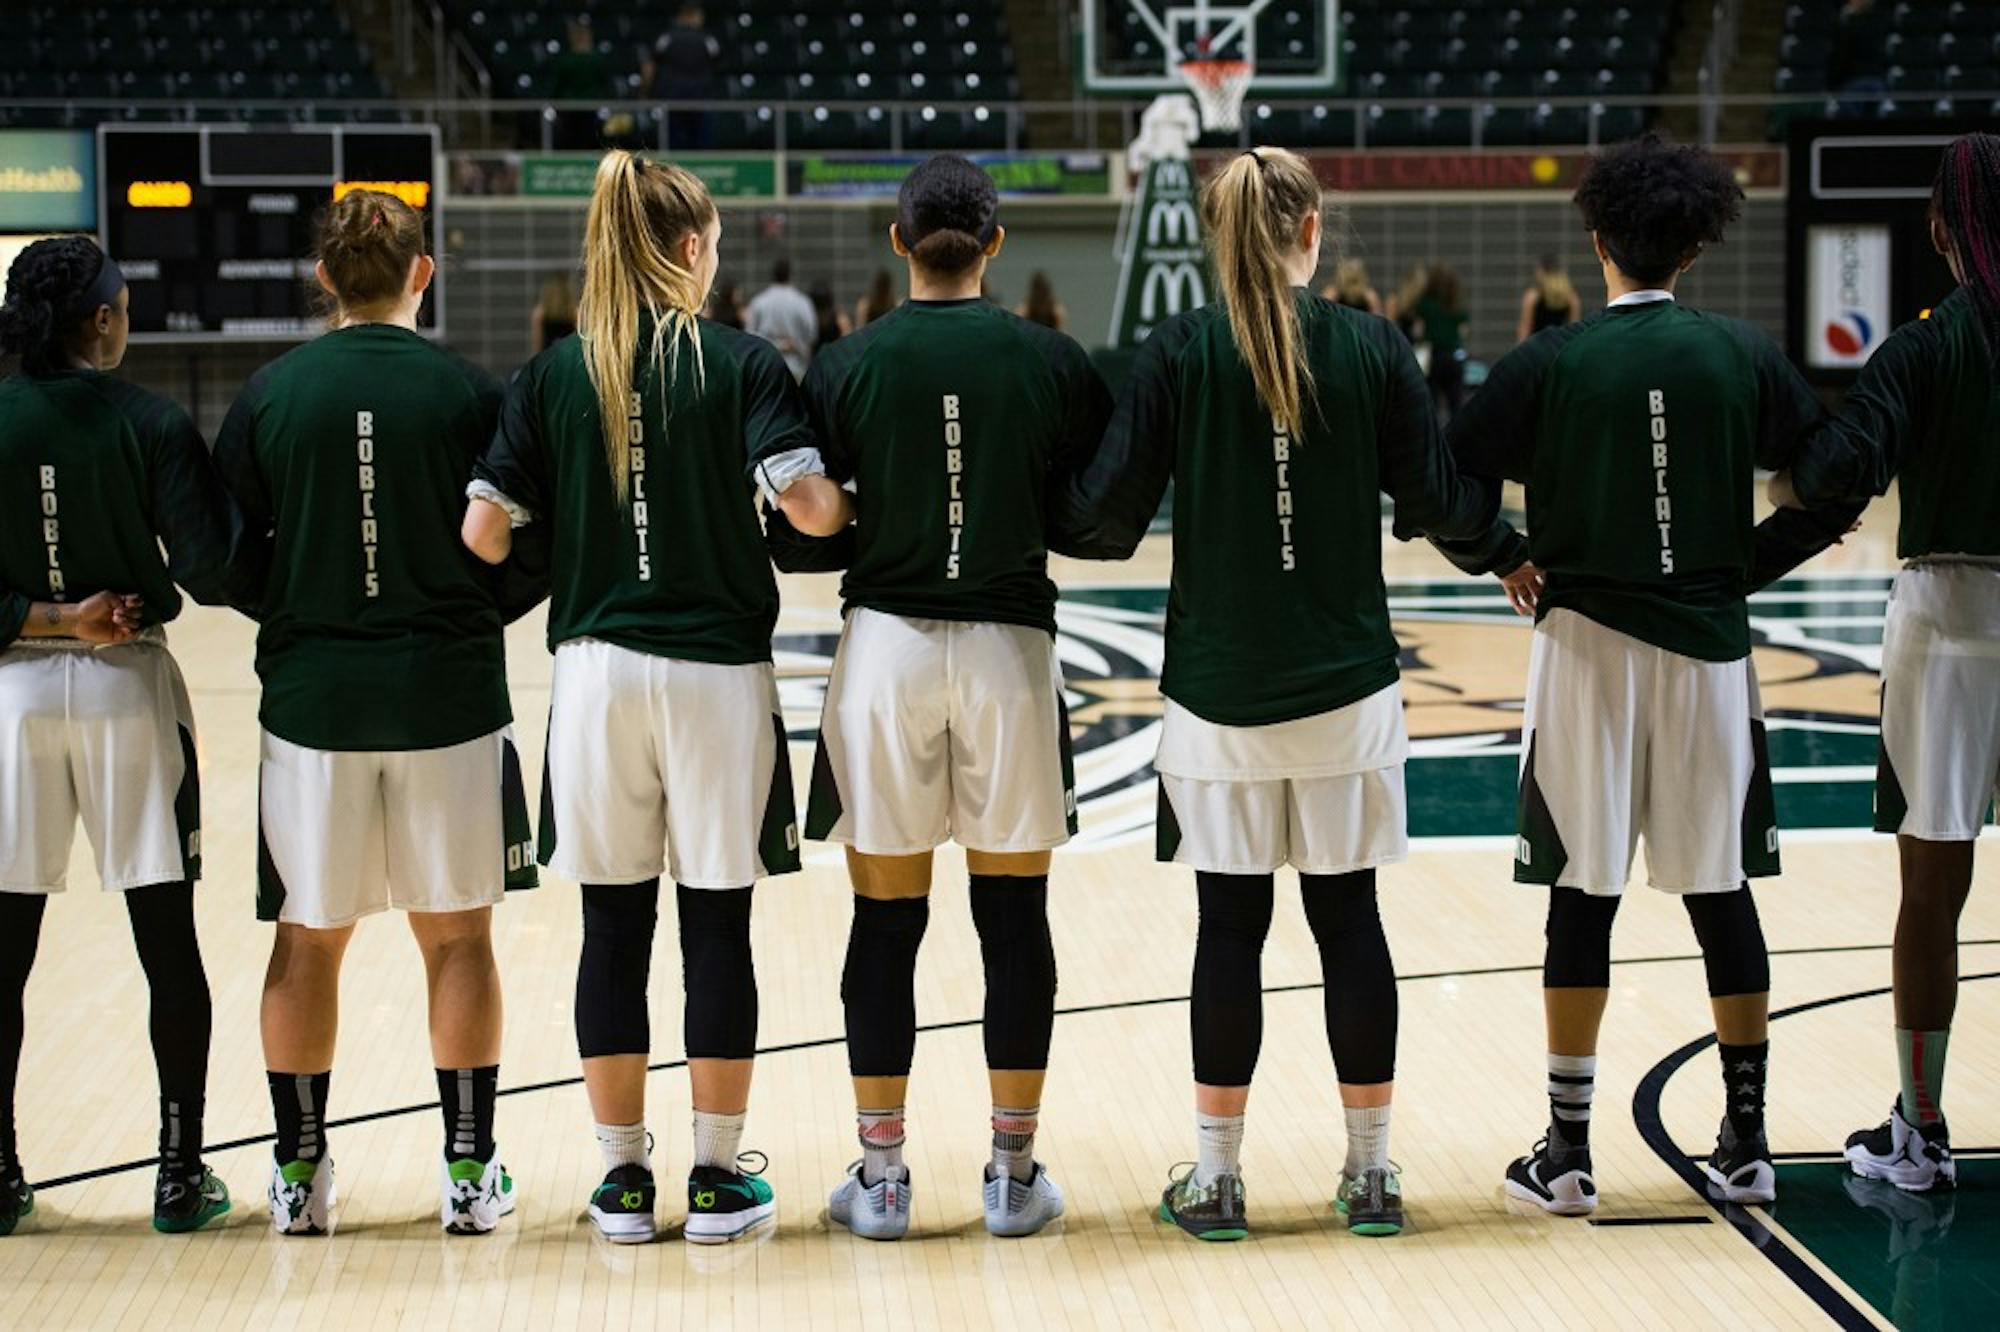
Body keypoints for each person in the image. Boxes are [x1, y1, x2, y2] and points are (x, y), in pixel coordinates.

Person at [1055, 146, 1493, 1241]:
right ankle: (1371, 1175)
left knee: (1228, 931)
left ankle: (1217, 1183)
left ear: (1219, 239)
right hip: (1348, 692)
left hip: (1218, 697)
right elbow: (1437, 500)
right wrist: (1514, 551)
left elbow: (1106, 520)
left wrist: (992, 519)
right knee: (1350, 924)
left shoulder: (1179, 350)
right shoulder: (1372, 344)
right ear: (1311, 231)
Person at [1429, 135, 1856, 1217]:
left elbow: (1440, 479)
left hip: (1583, 650)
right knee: (1720, 892)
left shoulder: (1549, 361)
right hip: (1708, 655)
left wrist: (1501, 551)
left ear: (1596, 239)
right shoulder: (1740, 353)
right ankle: (1747, 1145)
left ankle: (1568, 1154)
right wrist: (1744, 564)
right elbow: (1834, 481)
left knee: (1581, 896)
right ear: (1694, 249)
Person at [463, 151, 850, 1245]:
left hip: (595, 675)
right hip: (715, 674)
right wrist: (848, 505)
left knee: (612, 929)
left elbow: (482, 533)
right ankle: (717, 1181)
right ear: (688, 250)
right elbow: (809, 508)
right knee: (717, 925)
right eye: (713, 245)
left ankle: (623, 1182)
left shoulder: (553, 374)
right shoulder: (741, 362)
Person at [211, 189, 537, 1238]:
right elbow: (529, 542)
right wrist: (475, 613)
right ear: (421, 273)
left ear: (324, 278)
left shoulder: (270, 394)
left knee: (307, 942)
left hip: (313, 706)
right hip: (447, 697)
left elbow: (219, 555)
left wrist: (295, 607)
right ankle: (469, 1174)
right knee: (459, 941)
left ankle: (298, 1178)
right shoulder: (470, 393)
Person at [798, 154, 1112, 1241]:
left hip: (883, 649)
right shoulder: (1052, 360)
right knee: (1012, 922)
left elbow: (808, 519)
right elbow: (1095, 508)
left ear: (897, 243)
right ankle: (1011, 1178)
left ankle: (883, 1181)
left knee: (884, 925)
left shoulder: (846, 363)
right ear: (994, 244)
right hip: (1008, 651)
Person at [1769, 131, 2000, 1194]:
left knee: (1930, 889)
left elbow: (1838, 467)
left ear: (1940, 226)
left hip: (1945, 620)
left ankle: (1921, 1128)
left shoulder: (1923, 348)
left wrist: (1786, 481)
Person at [0, 237, 237, 1237]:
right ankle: (179, 1174)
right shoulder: (151, 422)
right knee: (165, 941)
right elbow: (211, 569)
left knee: (6, 950)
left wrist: (50, 616)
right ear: (100, 320)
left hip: (11, 699)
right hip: (126, 691)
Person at [644, 4, 723, 151]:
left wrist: (646, 91)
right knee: (700, 146)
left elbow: (650, 66)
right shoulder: (706, 39)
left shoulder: (667, 37)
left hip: (674, 98)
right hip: (696, 99)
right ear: (690, 16)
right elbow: (718, 64)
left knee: (672, 147)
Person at [1411, 265, 1469, 420]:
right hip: (1454, 355)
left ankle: (1434, 434)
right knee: (1456, 402)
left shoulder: (1424, 304)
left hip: (1433, 357)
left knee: (1432, 403)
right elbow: (1463, 332)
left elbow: (1418, 331)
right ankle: (1457, 433)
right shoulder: (1457, 305)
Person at [746, 258, 819, 379]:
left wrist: (775, 345)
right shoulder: (802, 302)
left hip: (766, 368)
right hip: (795, 366)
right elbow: (812, 333)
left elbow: (750, 334)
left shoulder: (759, 301)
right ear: (790, 275)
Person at [550, 20, 614, 151]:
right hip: (585, 109)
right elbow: (605, 85)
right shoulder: (595, 60)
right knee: (588, 142)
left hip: (575, 109)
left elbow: (558, 87)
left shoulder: (567, 61)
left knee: (572, 144)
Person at [1516, 254, 1579, 343]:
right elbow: (1574, 328)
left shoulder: (1533, 296)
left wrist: (1520, 348)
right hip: (1559, 346)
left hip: (1537, 346)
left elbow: (1525, 328)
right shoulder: (1571, 297)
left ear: (1541, 272)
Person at [531, 272, 577, 353]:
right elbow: (577, 339)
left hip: (548, 355)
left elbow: (537, 342)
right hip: (567, 354)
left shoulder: (540, 313)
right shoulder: (573, 312)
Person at [810, 281, 850, 351]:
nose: (822, 315)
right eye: (819, 309)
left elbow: (849, 343)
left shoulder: (840, 320)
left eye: (824, 308)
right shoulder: (810, 321)